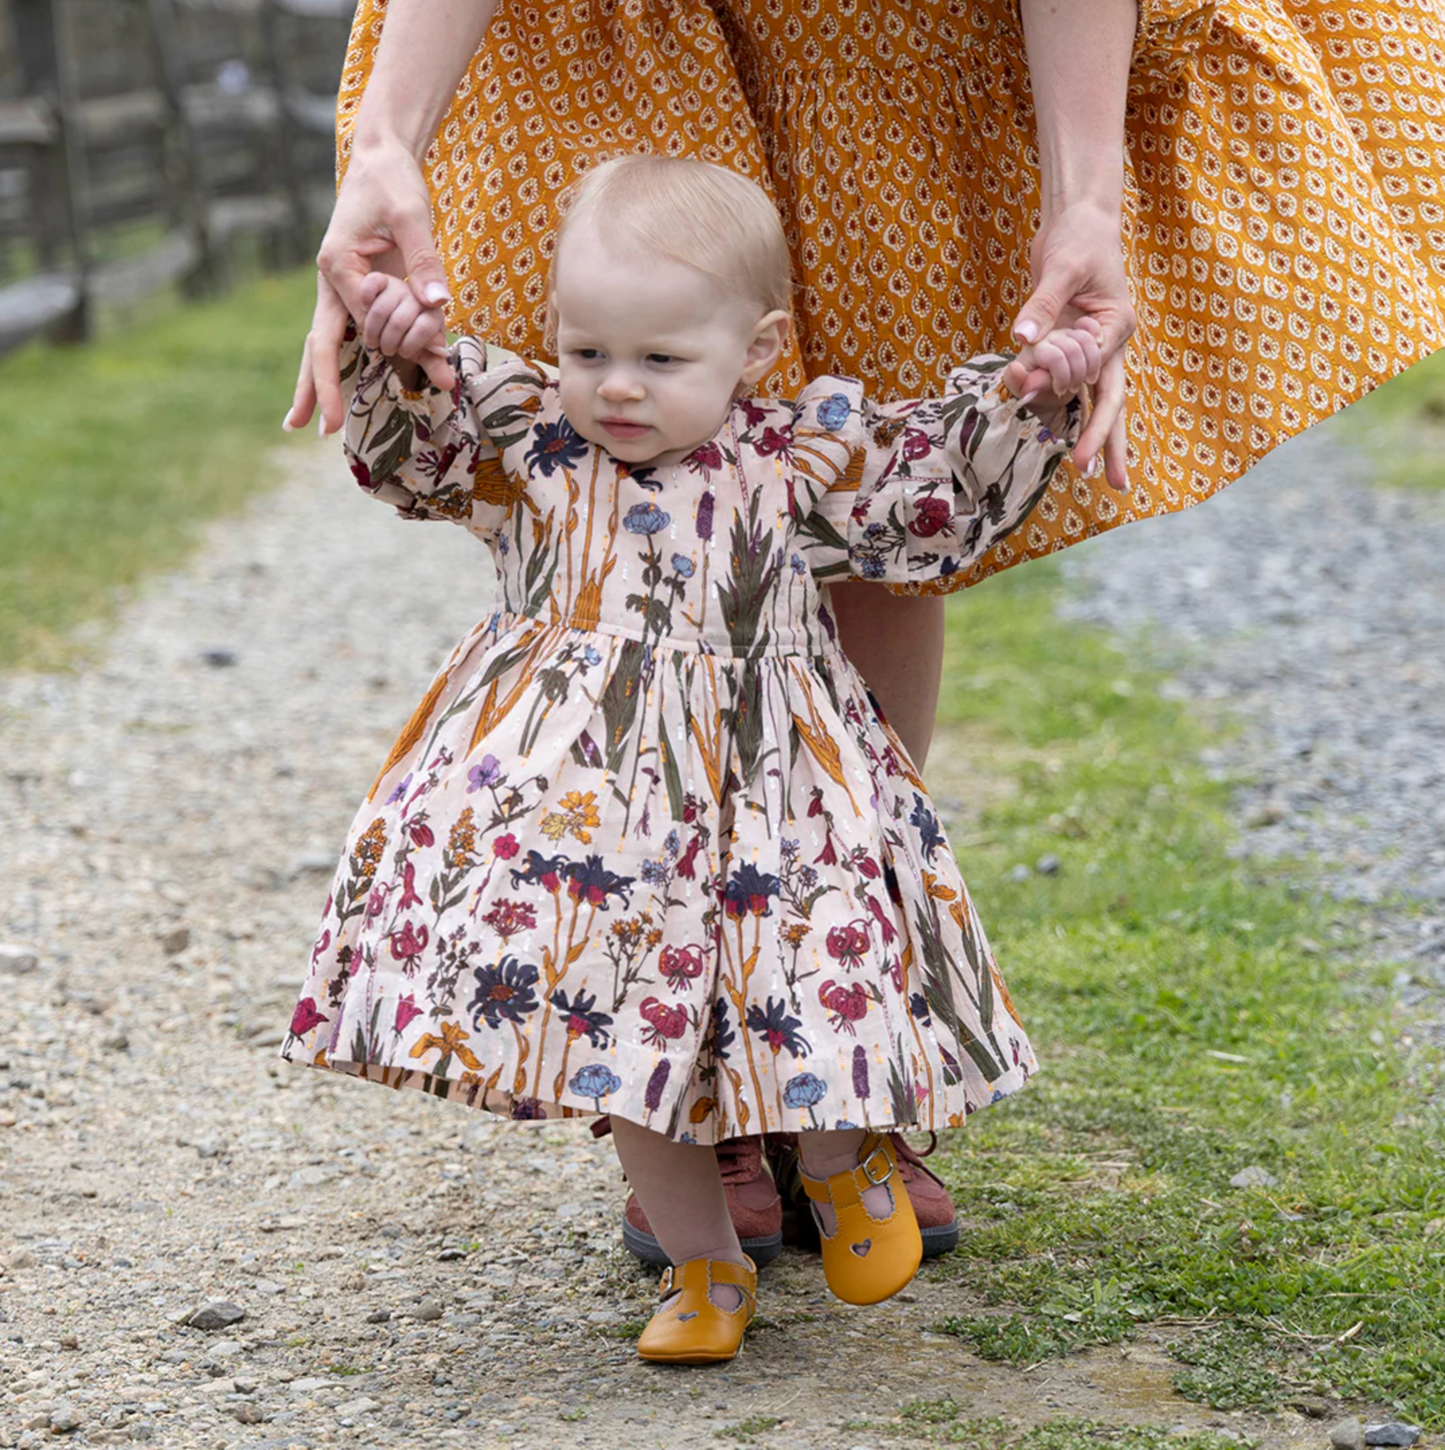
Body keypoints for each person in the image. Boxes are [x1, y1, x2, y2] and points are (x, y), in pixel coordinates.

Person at [283, 0, 1445, 1262]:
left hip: (879, 33)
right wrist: (390, 146)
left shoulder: (814, 443)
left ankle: (828, 1053)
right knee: (631, 316)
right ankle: (680, 1070)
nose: (603, 385)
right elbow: (440, 447)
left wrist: (1078, 230)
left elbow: (917, 494)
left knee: (851, 501)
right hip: (611, 23)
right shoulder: (542, 421)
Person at [279, 154, 1097, 1363]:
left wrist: (1032, 393)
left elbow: (929, 502)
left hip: (774, 805)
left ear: (757, 349)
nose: (615, 389)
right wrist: (393, 346)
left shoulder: (793, 460)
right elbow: (414, 454)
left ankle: (841, 1157)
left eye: (660, 362)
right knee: (622, 1031)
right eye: (586, 350)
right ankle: (705, 1267)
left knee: (813, 974)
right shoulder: (533, 444)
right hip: (596, 823)